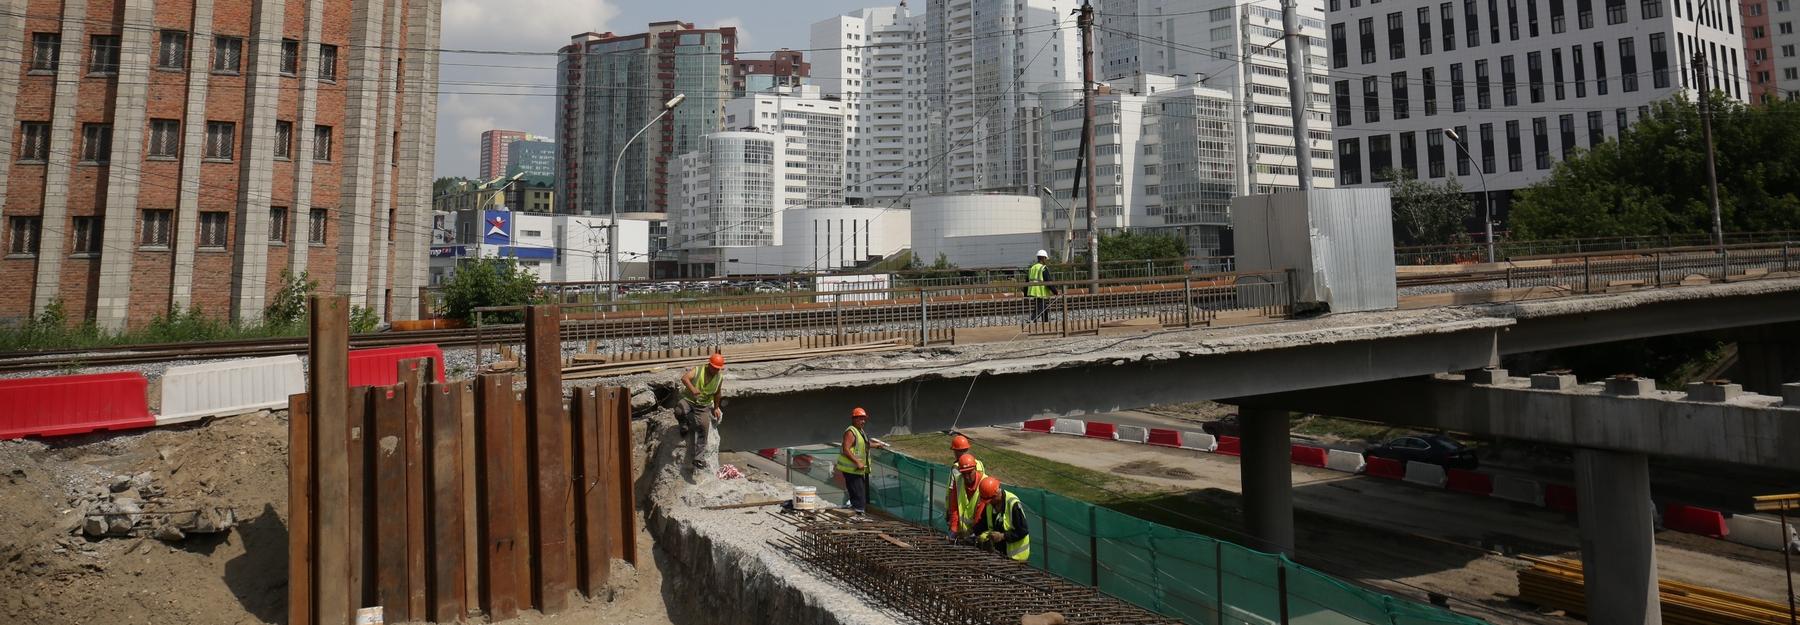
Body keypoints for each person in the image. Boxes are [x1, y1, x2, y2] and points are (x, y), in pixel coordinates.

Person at [833, 407, 886, 516]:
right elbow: (845, 449)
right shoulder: (851, 432)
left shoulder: (859, 431)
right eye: (860, 419)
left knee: (857, 491)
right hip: (851, 467)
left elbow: (864, 444)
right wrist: (857, 462)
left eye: (864, 419)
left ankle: (857, 509)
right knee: (858, 491)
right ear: (854, 419)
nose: (863, 421)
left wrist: (876, 445)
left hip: (856, 468)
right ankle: (858, 512)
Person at [678, 352, 726, 469]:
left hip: (703, 405)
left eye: (718, 369)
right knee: (679, 410)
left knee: (704, 428)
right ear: (709, 365)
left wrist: (715, 407)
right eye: (714, 368)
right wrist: (693, 389)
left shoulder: (719, 377)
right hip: (690, 400)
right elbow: (684, 378)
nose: (715, 370)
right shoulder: (698, 370)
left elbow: (717, 393)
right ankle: (684, 425)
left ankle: (698, 458)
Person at [971, 476, 1031, 562]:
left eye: (991, 500)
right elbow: (983, 524)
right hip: (999, 555)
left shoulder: (1013, 504)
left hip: (1016, 558)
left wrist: (1002, 536)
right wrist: (972, 533)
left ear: (996, 494)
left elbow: (1022, 531)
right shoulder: (990, 505)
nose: (989, 503)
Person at [945, 453, 985, 538]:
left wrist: (973, 532)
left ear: (975, 469)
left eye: (969, 473)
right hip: (962, 533)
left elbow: (981, 513)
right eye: (964, 473)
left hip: (978, 533)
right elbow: (954, 506)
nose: (966, 477)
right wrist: (954, 528)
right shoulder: (958, 480)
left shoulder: (984, 483)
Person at [1025, 250, 1057, 323]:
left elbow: (1026, 282)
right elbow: (1048, 281)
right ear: (1043, 258)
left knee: (1044, 307)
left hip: (1033, 291)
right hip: (1040, 291)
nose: (1046, 260)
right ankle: (1032, 320)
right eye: (1045, 258)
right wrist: (1055, 291)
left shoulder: (1032, 268)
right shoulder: (1043, 268)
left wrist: (1025, 295)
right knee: (1040, 307)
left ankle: (1045, 322)